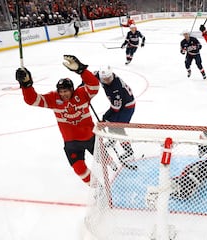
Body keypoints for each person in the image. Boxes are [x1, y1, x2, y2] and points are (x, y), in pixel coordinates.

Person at [15, 55, 100, 186]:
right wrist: (26, 85)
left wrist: (82, 70)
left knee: (105, 161)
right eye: (61, 91)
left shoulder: (82, 94)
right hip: (71, 143)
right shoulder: (54, 99)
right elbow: (32, 100)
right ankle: (97, 189)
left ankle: (118, 172)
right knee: (80, 170)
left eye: (66, 91)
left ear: (72, 90)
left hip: (91, 138)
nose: (63, 94)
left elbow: (94, 85)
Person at [95, 66, 136, 161]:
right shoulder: (101, 75)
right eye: (104, 79)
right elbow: (91, 76)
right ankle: (113, 139)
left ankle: (129, 152)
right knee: (111, 123)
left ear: (112, 75)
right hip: (120, 105)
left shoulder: (116, 89)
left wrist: (104, 118)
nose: (107, 81)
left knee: (118, 128)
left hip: (127, 107)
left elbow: (116, 109)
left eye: (109, 78)